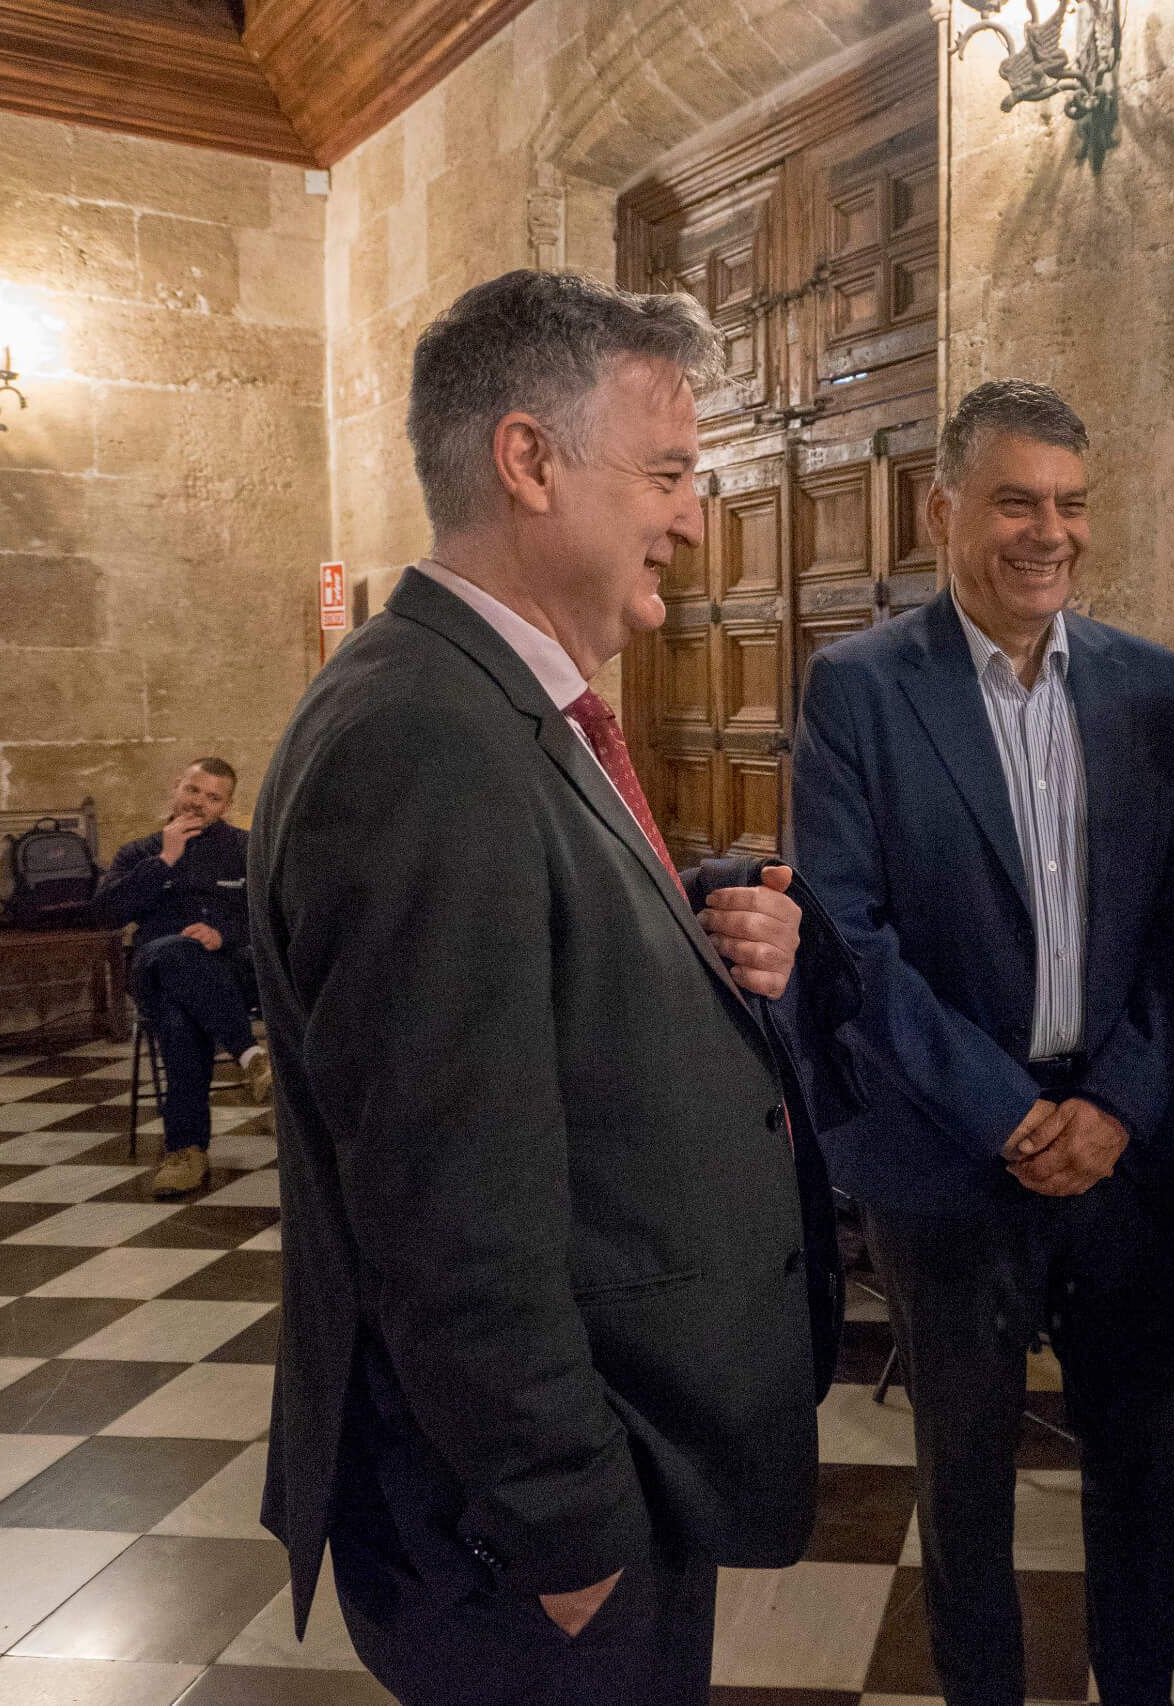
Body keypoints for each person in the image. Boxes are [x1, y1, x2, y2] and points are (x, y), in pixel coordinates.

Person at [249, 269, 831, 1706]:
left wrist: (674, 933)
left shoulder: (489, 700)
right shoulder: (424, 739)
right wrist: (570, 1527)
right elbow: (447, 1212)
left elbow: (514, 1009)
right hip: (520, 1537)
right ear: (529, 459)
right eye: (671, 472)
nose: (695, 516)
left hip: (599, 1460)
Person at [787, 379, 1174, 1706]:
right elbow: (848, 938)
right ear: (944, 512)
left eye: (1072, 504)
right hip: (951, 1148)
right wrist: (1006, 1113)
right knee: (966, 1472)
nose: (1051, 531)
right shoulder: (860, 688)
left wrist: (1118, 1101)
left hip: (1125, 1148)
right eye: (1018, 501)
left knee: (1144, 1454)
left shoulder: (1147, 685)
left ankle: (1138, 1687)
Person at [92, 756, 270, 1200]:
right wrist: (165, 860)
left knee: (180, 1014)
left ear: (226, 806)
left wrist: (222, 933)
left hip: (230, 973)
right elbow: (106, 914)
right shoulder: (139, 852)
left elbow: (270, 915)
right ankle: (251, 1056)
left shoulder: (246, 849)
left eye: (213, 797)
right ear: (176, 787)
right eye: (194, 791)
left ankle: (185, 1150)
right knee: (171, 953)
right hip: (157, 972)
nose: (200, 803)